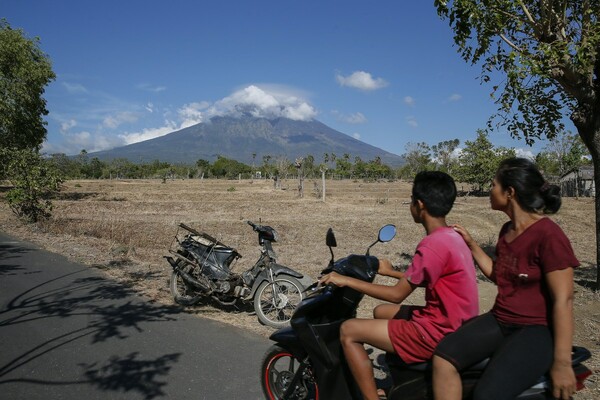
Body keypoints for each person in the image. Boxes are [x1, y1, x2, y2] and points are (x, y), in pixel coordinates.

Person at [319, 171, 479, 400]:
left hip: (438, 331)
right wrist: (391, 272)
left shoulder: (431, 244)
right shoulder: (453, 237)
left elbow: (396, 295)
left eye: (412, 200)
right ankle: (403, 381)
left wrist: (345, 279)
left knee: (348, 331)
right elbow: (431, 277)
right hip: (457, 322)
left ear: (420, 205)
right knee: (380, 312)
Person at [432, 157, 580, 400]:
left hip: (536, 329)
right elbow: (499, 275)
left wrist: (562, 363)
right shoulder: (507, 231)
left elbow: (564, 300)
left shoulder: (548, 235)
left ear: (510, 192)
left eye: (493, 185)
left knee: (487, 395)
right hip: (501, 319)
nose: (490, 191)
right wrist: (471, 244)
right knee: (443, 358)